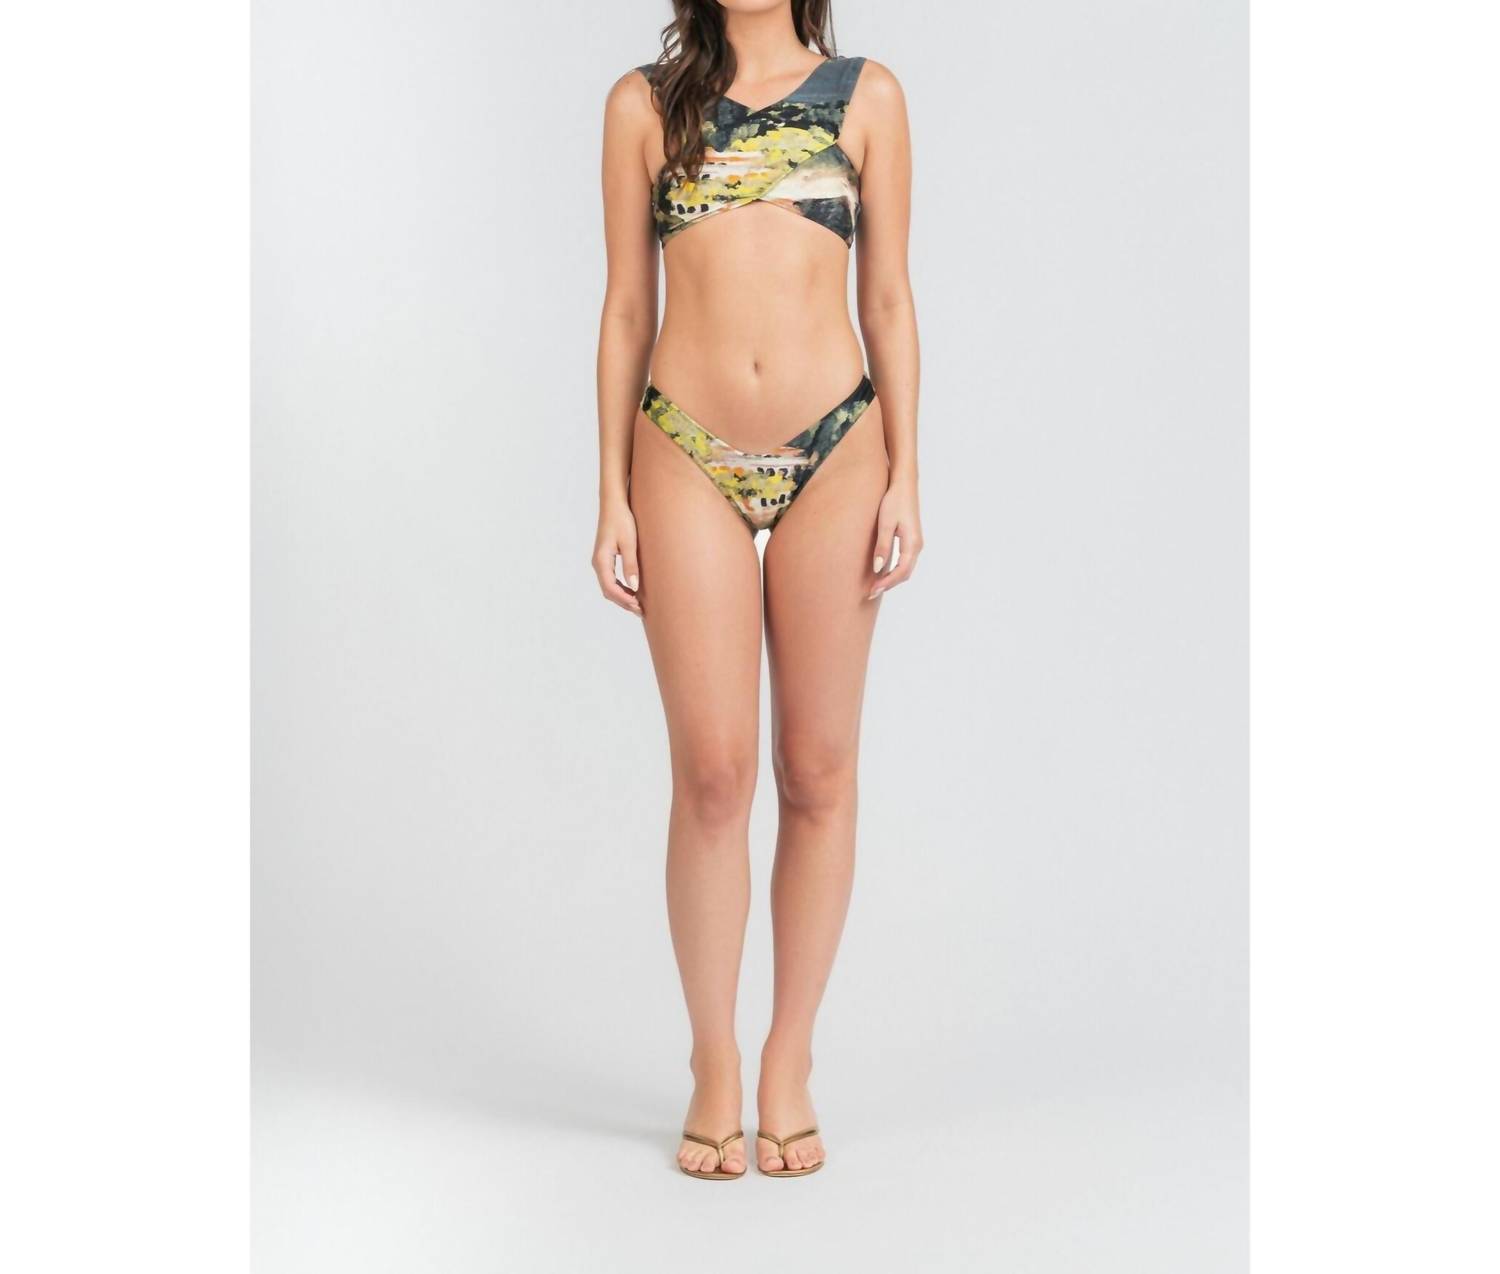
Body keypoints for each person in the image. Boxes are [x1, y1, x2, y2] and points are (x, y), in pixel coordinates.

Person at [593, 0, 922, 1179]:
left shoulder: (867, 97)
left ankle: (789, 1056)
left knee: (818, 770)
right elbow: (627, 307)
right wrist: (610, 492)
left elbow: (888, 300)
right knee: (715, 773)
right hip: (684, 446)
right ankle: (713, 1059)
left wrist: (908, 474)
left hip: (839, 448)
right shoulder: (643, 107)